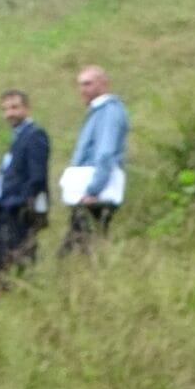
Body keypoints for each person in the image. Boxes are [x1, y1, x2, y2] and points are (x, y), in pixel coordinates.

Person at [63, 65, 128, 257]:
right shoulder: (98, 111)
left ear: (103, 84)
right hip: (91, 189)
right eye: (80, 85)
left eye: (88, 84)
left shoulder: (108, 111)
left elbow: (105, 152)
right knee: (85, 242)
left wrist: (94, 189)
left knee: (82, 243)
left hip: (95, 191)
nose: (83, 89)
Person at [0, 89, 52, 283]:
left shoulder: (35, 135)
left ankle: (20, 293)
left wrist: (21, 202)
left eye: (14, 107)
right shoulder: (18, 136)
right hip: (6, 209)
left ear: (27, 108)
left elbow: (37, 177)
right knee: (0, 262)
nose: (10, 113)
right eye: (5, 109)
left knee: (17, 261)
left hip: (19, 210)